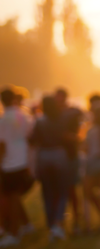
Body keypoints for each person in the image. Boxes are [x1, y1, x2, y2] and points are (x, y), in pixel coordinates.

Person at [29, 96, 71, 240]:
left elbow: (32, 140)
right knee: (62, 191)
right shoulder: (61, 119)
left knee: (47, 192)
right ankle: (59, 222)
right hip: (59, 154)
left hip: (44, 155)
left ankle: (51, 224)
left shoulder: (39, 121)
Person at [0, 87, 35, 247]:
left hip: (9, 163)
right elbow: (29, 135)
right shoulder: (24, 116)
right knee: (16, 197)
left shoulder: (2, 120)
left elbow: (2, 145)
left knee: (12, 197)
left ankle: (14, 234)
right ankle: (27, 225)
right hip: (23, 161)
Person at [54, 87, 83, 232]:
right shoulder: (55, 114)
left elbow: (78, 134)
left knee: (72, 189)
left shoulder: (73, 113)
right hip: (59, 156)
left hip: (70, 155)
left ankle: (77, 219)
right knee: (59, 189)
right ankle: (63, 217)